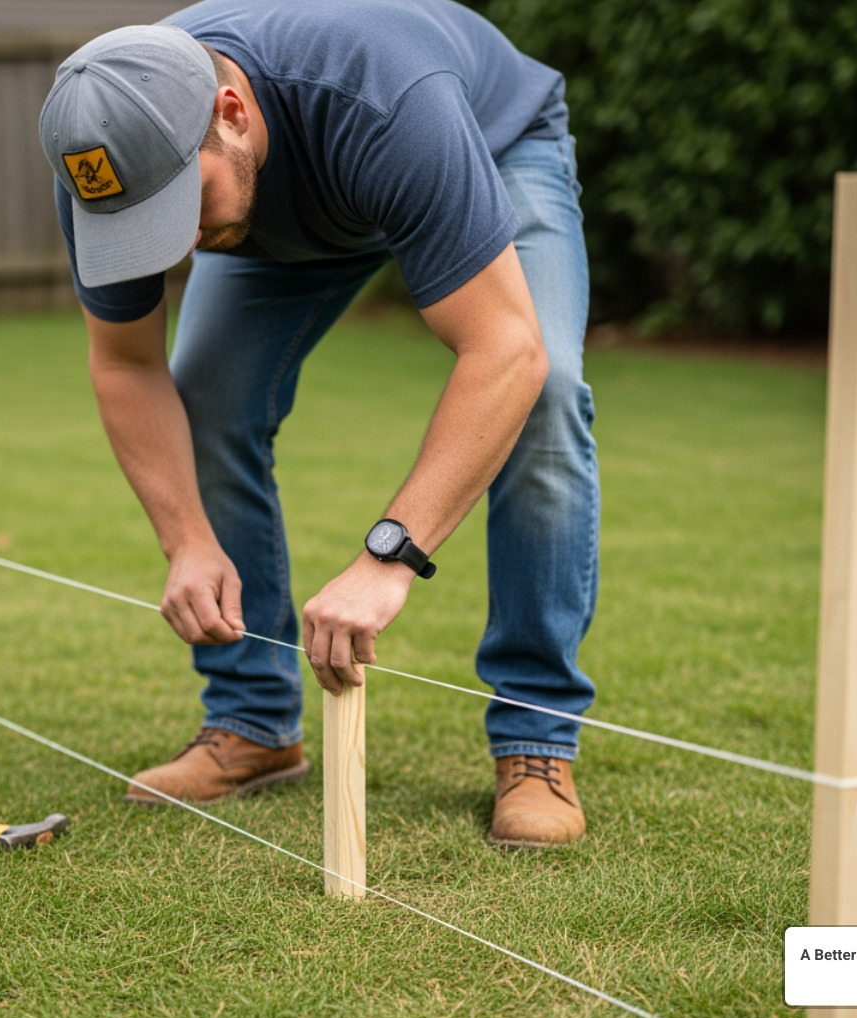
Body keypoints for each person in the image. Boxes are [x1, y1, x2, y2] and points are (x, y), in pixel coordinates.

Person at [39, 0, 599, 848]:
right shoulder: (104, 152)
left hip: (486, 145)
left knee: (546, 388)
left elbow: (505, 354)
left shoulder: (383, 98)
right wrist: (185, 537)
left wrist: (391, 555)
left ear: (231, 112)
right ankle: (255, 721)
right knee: (209, 397)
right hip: (288, 211)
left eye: (183, 208)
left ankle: (535, 740)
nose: (177, 247)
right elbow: (127, 363)